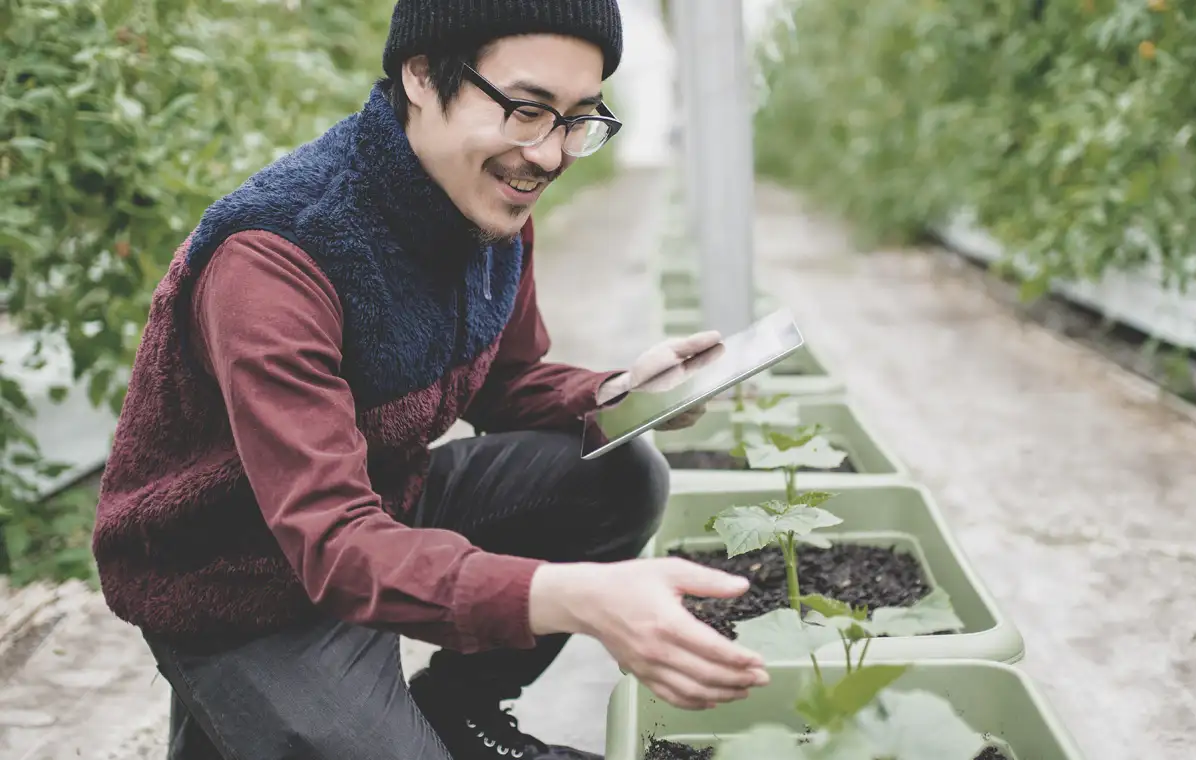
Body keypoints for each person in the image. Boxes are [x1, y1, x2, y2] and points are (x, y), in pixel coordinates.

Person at [88, 2, 771, 758]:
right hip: (239, 578)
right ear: (420, 74)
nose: (547, 156)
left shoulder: (487, 204)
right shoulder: (278, 258)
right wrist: (571, 598)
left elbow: (506, 383)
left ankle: (455, 711)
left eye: (578, 118)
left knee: (618, 475)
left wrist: (623, 396)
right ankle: (247, 699)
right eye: (526, 110)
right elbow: (335, 542)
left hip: (379, 507)